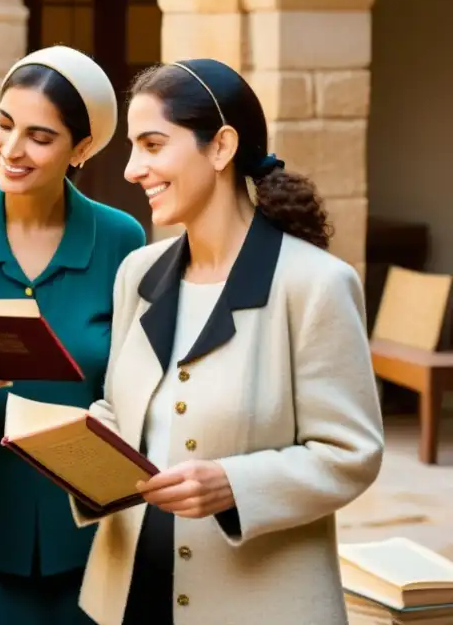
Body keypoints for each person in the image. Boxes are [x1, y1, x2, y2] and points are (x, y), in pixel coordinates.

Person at [72, 58, 385, 624]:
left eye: (152, 144)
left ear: (220, 147)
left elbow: (351, 454)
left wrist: (233, 484)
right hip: (128, 594)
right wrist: (77, 449)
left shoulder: (315, 285)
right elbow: (120, 409)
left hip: (259, 606)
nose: (132, 170)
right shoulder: (136, 274)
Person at [0, 46, 147, 624]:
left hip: (83, 537)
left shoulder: (122, 240)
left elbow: (137, 385)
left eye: (40, 137)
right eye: (5, 123)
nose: (12, 150)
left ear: (82, 148)